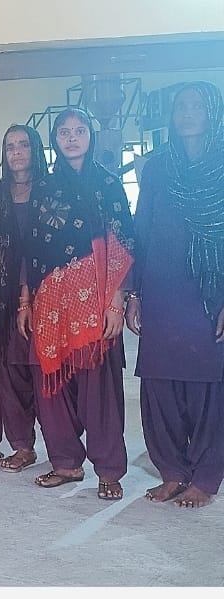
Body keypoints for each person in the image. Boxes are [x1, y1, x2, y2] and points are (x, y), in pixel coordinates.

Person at [23, 108, 134, 501]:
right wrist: (25, 300)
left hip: (96, 300)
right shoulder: (43, 187)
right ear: (55, 139)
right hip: (51, 300)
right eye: (64, 132)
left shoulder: (108, 185)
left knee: (99, 390)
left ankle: (109, 470)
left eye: (80, 131)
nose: (72, 138)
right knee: (51, 387)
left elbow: (125, 245)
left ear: (91, 136)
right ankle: (66, 463)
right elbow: (30, 248)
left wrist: (117, 302)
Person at [128, 81, 224, 509]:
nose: (187, 113)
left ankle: (205, 476)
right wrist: (134, 293)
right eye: (180, 106)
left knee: (207, 386)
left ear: (212, 113)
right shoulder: (157, 168)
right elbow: (141, 230)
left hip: (209, 290)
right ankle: (172, 471)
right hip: (161, 288)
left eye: (196, 106)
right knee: (160, 382)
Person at [0, 125, 49, 474]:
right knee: (9, 373)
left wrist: (27, 296)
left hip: (47, 296)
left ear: (35, 149)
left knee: (45, 376)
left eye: (23, 145)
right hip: (2, 300)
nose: (16, 152)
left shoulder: (51, 191)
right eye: (10, 146)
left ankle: (63, 452)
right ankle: (22, 446)